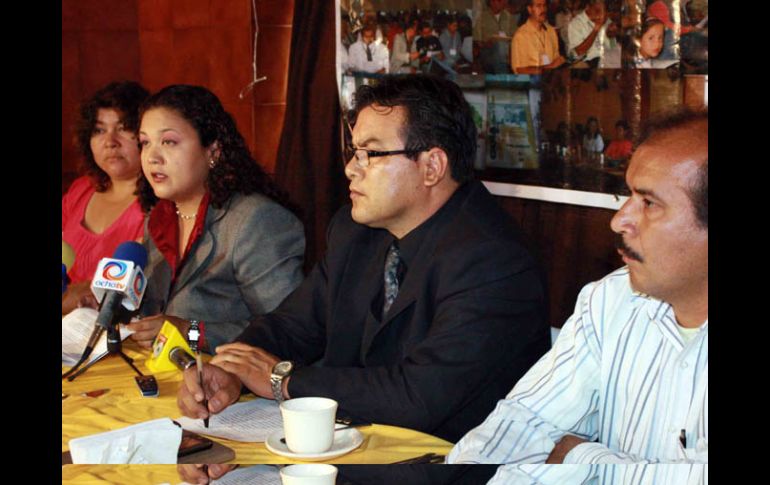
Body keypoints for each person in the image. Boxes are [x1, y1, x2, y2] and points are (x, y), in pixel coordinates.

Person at [177, 75, 550, 445]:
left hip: (445, 464)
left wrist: (284, 380)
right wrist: (230, 371)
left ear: (432, 166)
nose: (350, 170)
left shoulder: (493, 261)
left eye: (370, 155)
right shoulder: (356, 232)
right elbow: (294, 325)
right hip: (354, 448)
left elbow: (419, 395)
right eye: (353, 153)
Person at [448, 109, 708, 482]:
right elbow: (521, 424)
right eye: (627, 195)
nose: (619, 221)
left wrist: (577, 456)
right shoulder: (610, 300)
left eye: (649, 203)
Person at [128, 85, 305, 351]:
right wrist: (114, 308)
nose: (152, 157)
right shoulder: (158, 218)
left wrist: (191, 332)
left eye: (169, 142)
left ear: (213, 151)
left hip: (236, 385)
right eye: (145, 143)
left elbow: (290, 329)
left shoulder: (256, 221)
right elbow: (158, 312)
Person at [62, 81, 150, 314]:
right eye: (99, 130)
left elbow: (116, 295)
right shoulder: (80, 190)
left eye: (123, 128)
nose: (110, 141)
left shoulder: (159, 204)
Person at [510, 0, 565, 74]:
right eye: (538, 6)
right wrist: (549, 67)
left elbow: (556, 59)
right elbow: (519, 70)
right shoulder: (521, 36)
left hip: (550, 81)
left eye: (544, 5)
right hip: (531, 82)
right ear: (529, 9)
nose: (543, 9)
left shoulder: (551, 31)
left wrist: (561, 61)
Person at [567, 0, 620, 67]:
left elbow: (612, 46)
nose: (601, 15)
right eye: (597, 11)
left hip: (606, 58)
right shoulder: (576, 24)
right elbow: (577, 53)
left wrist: (611, 35)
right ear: (587, 7)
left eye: (604, 11)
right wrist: (595, 30)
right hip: (588, 62)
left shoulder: (606, 20)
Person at [474, 0, 519, 73]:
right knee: (500, 46)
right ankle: (503, 75)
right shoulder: (482, 17)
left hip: (507, 50)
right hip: (488, 50)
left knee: (504, 47)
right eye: (499, 1)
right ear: (492, 2)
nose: (503, 3)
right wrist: (485, 44)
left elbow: (516, 35)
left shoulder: (508, 17)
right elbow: (477, 39)